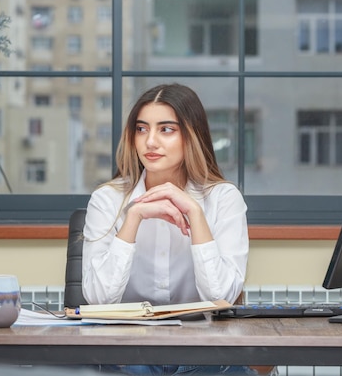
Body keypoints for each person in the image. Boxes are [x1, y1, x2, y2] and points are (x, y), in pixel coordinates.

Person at [82, 83, 259, 375]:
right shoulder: (107, 199)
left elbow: (222, 299)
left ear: (192, 137)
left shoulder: (224, 199)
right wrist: (134, 217)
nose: (150, 142)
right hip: (130, 354)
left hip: (205, 354)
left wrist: (195, 214)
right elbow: (98, 300)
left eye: (166, 129)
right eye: (141, 129)